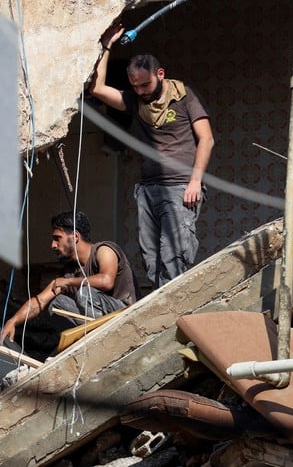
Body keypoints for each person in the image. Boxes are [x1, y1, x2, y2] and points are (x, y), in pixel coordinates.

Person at [89, 22, 214, 289]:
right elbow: (97, 89)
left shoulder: (185, 96)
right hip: (148, 189)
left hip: (180, 186)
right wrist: (107, 45)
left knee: (174, 255)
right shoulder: (136, 102)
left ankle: (178, 312)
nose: (140, 91)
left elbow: (207, 139)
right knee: (151, 257)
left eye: (145, 85)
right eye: (135, 86)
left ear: (160, 73)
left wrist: (195, 181)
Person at [0, 210, 136, 344]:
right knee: (56, 304)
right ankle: (85, 343)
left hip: (124, 317)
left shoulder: (104, 250)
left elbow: (106, 281)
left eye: (57, 238)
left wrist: (69, 282)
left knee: (84, 292)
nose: (53, 245)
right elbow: (39, 301)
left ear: (75, 237)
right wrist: (13, 321)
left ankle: (100, 340)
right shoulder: (69, 272)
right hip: (96, 326)